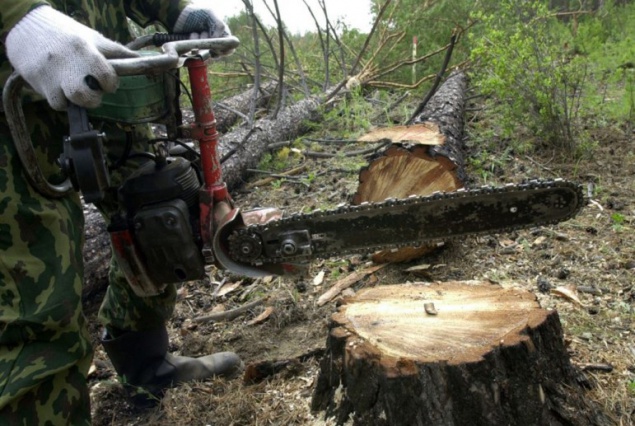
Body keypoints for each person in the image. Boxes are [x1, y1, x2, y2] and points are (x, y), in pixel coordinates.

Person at [0, 1, 242, 424]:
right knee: (33, 290)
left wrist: (174, 11)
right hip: (12, 95)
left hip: (100, 71)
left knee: (157, 210)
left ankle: (148, 366)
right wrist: (18, 17)